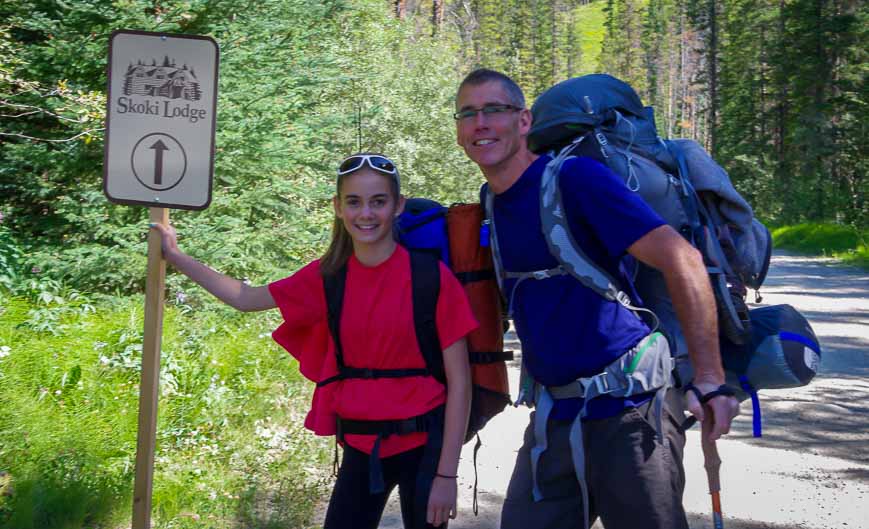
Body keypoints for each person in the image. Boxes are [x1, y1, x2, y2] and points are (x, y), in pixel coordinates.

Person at [453, 68, 740, 529]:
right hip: (555, 416)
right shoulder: (491, 202)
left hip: (632, 413)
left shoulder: (574, 179)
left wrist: (709, 378)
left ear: (524, 121)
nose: (480, 123)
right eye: (468, 113)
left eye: (494, 110)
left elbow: (682, 259)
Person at [151, 153, 476, 529]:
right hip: (360, 446)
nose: (366, 213)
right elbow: (246, 298)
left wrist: (446, 476)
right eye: (354, 202)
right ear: (338, 208)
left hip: (424, 448)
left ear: (398, 205)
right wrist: (176, 256)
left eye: (378, 201)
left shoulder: (431, 277)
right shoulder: (328, 277)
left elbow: (460, 383)